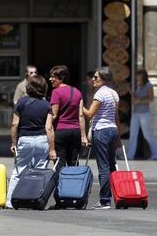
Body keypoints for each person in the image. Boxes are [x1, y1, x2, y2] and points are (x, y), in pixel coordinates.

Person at [6, 75, 56, 209]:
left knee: (19, 170)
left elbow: (14, 124)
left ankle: (10, 201)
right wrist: (52, 149)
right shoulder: (46, 105)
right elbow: (49, 128)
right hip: (41, 140)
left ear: (29, 87)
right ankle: (34, 199)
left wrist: (13, 143)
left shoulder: (21, 103)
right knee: (40, 172)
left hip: (25, 139)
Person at [47, 65, 87, 209]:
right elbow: (81, 115)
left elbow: (55, 114)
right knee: (73, 166)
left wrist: (46, 126)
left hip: (61, 132)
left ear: (61, 78)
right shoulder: (77, 92)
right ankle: (75, 197)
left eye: (53, 76)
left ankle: (61, 199)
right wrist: (83, 135)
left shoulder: (56, 92)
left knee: (59, 166)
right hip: (75, 131)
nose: (50, 79)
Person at [83, 66, 120, 210]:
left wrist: (78, 105)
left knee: (103, 166)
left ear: (104, 79)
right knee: (111, 165)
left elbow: (89, 114)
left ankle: (104, 200)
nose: (93, 79)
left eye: (96, 77)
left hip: (102, 131)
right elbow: (115, 116)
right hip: (112, 130)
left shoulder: (100, 94)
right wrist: (118, 137)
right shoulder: (114, 94)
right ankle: (117, 196)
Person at [126, 69, 157, 160]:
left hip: (144, 113)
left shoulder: (148, 86)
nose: (137, 77)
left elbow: (151, 98)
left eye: (139, 75)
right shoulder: (138, 85)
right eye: (137, 75)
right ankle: (130, 155)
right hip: (136, 113)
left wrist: (139, 101)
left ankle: (156, 154)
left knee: (147, 135)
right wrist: (130, 91)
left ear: (143, 76)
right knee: (133, 134)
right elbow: (136, 98)